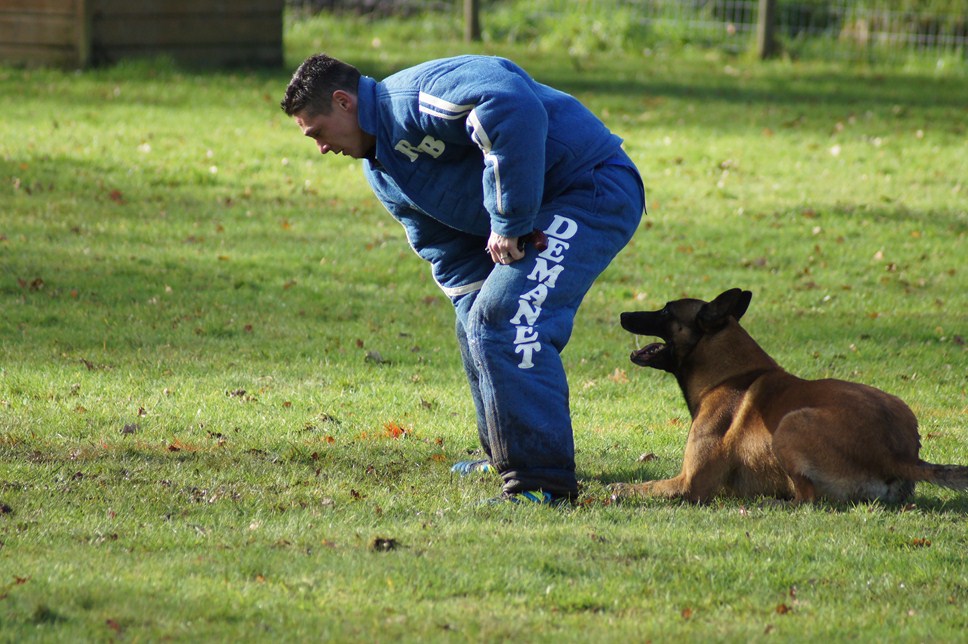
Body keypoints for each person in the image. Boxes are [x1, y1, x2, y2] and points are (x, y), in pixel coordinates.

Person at [281, 53, 644, 505]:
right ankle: (508, 452)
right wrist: (472, 304)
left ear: (342, 102)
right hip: (543, 209)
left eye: (316, 132)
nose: (320, 148)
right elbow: (443, 246)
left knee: (507, 317)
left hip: (589, 186)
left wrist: (509, 219)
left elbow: (508, 100)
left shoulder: (411, 99)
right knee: (477, 318)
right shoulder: (382, 170)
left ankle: (542, 484)